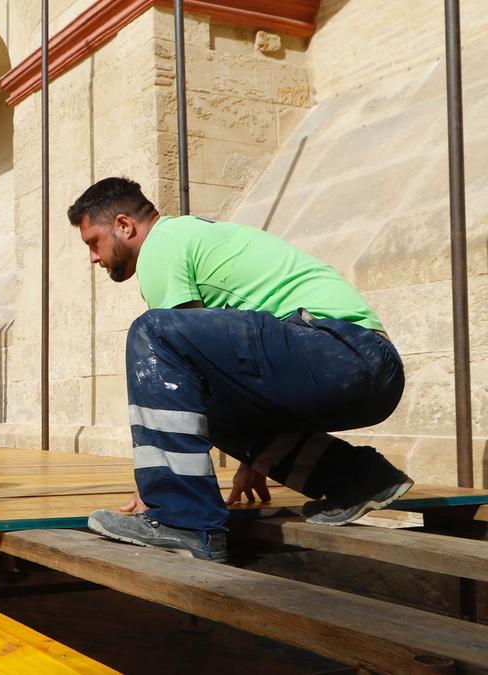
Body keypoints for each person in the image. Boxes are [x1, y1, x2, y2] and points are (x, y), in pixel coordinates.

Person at [67, 177, 411, 563]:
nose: (93, 258)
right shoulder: (189, 236)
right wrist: (256, 456)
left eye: (93, 243)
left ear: (124, 225)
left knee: (152, 332)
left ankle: (182, 518)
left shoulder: (162, 245)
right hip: (365, 367)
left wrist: (156, 488)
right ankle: (359, 480)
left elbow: (174, 356)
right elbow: (207, 375)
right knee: (210, 403)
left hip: (341, 348)